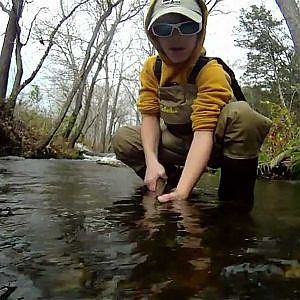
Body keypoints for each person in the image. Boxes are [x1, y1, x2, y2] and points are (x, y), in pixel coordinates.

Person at [112, 0, 272, 211]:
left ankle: (233, 206)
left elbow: (204, 131)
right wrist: (151, 161)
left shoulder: (211, 71)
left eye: (187, 26)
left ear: (200, 31)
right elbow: (150, 117)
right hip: (178, 143)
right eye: (164, 28)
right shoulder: (152, 68)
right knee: (124, 139)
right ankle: (167, 183)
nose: (176, 37)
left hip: (217, 145)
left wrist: (184, 193)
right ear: (154, 35)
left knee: (244, 116)